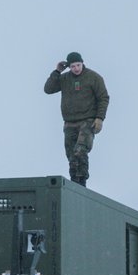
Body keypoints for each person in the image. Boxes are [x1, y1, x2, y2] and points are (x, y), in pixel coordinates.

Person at [43, 52, 110, 186]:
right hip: (69, 122)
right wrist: (57, 71)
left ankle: (82, 181)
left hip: (88, 120)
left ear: (82, 63)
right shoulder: (65, 78)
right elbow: (48, 89)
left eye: (78, 65)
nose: (76, 68)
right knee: (71, 155)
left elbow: (103, 98)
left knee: (80, 150)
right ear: (69, 67)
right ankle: (75, 183)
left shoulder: (93, 77)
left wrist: (99, 118)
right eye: (73, 66)